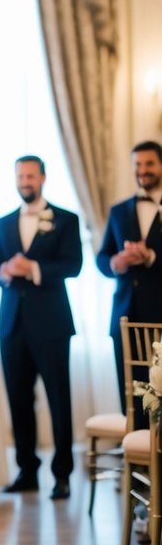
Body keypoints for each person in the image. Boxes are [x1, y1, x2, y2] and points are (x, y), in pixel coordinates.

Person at [0, 155, 82, 500]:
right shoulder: (4, 223)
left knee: (59, 400)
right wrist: (6, 270)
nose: (24, 181)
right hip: (11, 325)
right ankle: (27, 471)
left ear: (42, 178)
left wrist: (35, 269)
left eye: (30, 175)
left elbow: (74, 265)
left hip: (52, 324)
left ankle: (63, 475)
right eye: (20, 176)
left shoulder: (66, 220)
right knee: (19, 400)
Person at [96, 140, 162, 412]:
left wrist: (151, 257)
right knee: (131, 392)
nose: (142, 170)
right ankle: (135, 453)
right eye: (138, 164)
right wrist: (116, 261)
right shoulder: (118, 210)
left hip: (159, 312)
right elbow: (102, 258)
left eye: (149, 163)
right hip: (126, 313)